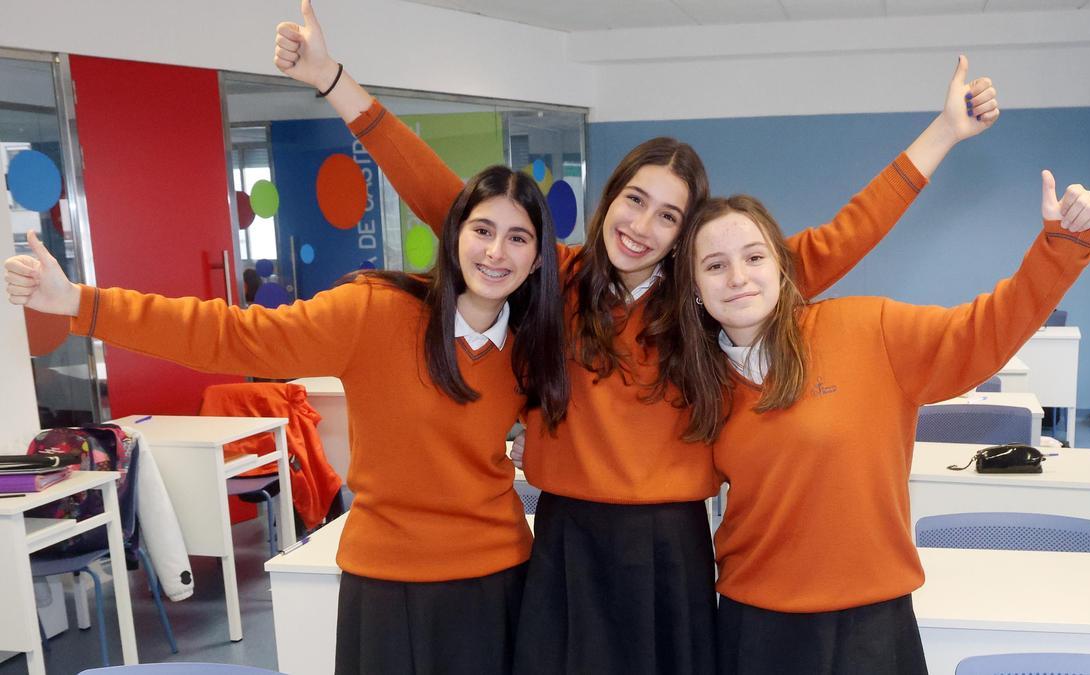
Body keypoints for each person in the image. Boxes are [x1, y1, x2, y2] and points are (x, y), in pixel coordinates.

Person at [271, 3, 1002, 671]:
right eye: (634, 200)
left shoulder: (704, 296)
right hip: (566, 542)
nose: (641, 226)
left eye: (668, 217)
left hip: (671, 547)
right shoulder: (554, 279)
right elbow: (441, 195)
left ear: (686, 235)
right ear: (610, 197)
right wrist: (335, 83)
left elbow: (849, 232)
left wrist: (943, 133)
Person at [4, 166, 567, 675]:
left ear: (539, 258)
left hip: (500, 580)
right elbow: (232, 334)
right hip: (390, 586)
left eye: (518, 238)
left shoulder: (530, 349)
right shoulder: (376, 312)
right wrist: (82, 303)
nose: (497, 252)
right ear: (455, 236)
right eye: (483, 230)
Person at [668, 171, 1090, 674]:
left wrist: (1062, 246)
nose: (738, 278)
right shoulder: (697, 383)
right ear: (695, 290)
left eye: (754, 256)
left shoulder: (866, 329)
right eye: (715, 265)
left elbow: (984, 331)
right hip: (757, 626)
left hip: (870, 624)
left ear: (782, 267)